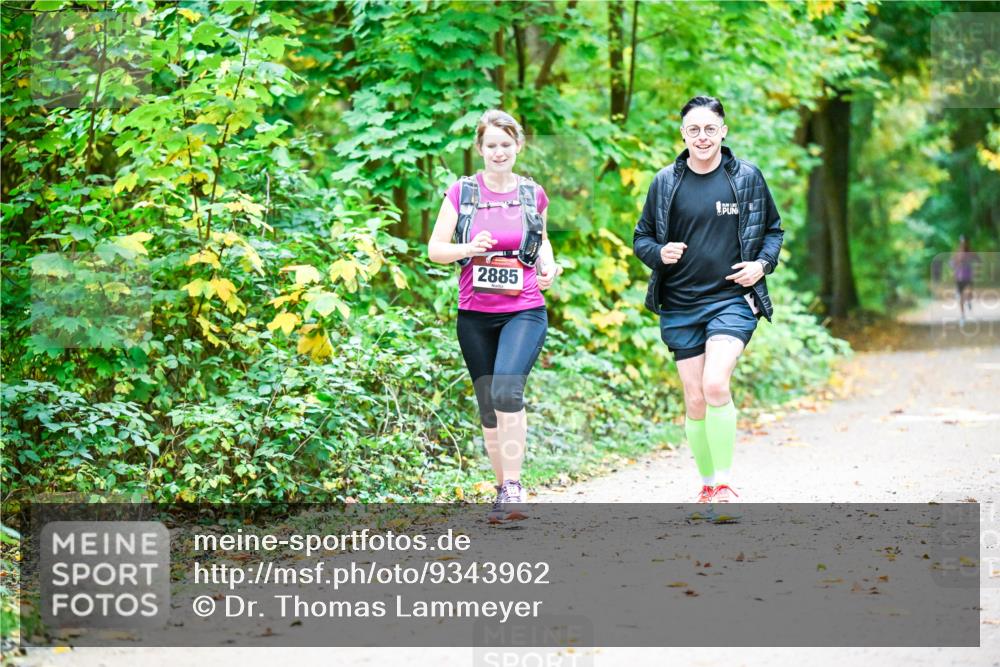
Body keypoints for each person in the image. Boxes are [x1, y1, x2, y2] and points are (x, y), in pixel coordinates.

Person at [632, 96, 784, 504]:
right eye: (694, 129)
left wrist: (761, 266)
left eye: (710, 129)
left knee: (715, 383)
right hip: (680, 303)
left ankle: (724, 483)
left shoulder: (747, 178)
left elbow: (774, 230)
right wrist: (658, 254)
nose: (702, 137)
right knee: (695, 398)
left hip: (731, 300)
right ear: (683, 134)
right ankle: (706, 483)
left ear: (724, 131)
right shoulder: (666, 182)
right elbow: (642, 237)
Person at [428, 109, 562, 522]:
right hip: (474, 313)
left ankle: (515, 486)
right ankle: (504, 489)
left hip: (523, 309)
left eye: (507, 144)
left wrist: (549, 269)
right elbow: (435, 249)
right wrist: (469, 248)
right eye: (491, 146)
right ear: (480, 149)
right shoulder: (462, 193)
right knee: (489, 404)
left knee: (506, 389)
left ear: (518, 147)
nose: (499, 152)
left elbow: (541, 243)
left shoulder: (531, 194)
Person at [951, 236, 978, 325]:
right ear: (960, 243)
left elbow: (978, 260)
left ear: (967, 243)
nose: (964, 244)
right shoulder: (957, 253)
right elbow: (951, 263)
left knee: (969, 293)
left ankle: (969, 300)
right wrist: (956, 264)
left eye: (965, 242)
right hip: (959, 277)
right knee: (961, 298)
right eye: (962, 242)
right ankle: (963, 316)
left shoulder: (971, 252)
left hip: (968, 276)